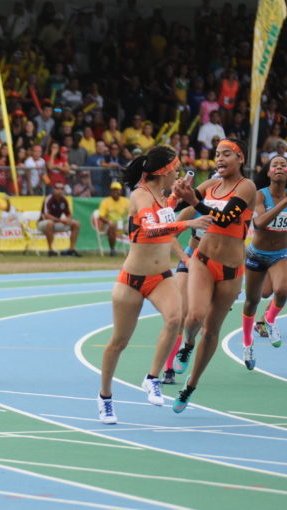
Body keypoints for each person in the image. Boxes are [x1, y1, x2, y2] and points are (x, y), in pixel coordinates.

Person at [98, 146, 212, 424]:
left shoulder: (161, 198)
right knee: (118, 342)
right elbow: (148, 232)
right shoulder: (140, 196)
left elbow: (164, 213)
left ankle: (152, 378)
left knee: (175, 318)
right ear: (163, 171)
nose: (177, 170)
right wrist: (190, 223)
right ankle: (105, 398)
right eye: (175, 167)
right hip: (132, 281)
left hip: (161, 277)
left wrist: (176, 196)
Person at [171, 138, 255, 413]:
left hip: (231, 271)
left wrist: (194, 200)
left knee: (212, 329)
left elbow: (226, 218)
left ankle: (191, 385)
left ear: (240, 158)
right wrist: (174, 197)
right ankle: (187, 344)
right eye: (217, 154)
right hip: (202, 261)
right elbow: (183, 203)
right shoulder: (210, 186)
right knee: (193, 316)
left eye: (226, 154)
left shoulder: (247, 187)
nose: (219, 159)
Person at [240, 155, 287, 370]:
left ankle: (269, 319)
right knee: (253, 300)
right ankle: (248, 343)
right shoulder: (260, 195)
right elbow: (259, 223)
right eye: (274, 165)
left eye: (283, 165)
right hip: (258, 254)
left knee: (283, 290)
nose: (279, 167)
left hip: (281, 254)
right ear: (268, 172)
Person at [37, 183, 81, 257]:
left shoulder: (63, 200)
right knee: (50, 223)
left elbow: (69, 214)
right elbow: (46, 215)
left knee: (76, 224)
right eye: (58, 188)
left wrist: (68, 219)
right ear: (54, 189)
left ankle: (71, 249)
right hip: (43, 223)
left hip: (56, 223)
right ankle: (50, 250)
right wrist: (61, 221)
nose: (60, 191)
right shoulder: (49, 199)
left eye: (62, 189)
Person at [98, 182, 130, 256]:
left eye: (117, 190)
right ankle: (112, 250)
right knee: (112, 226)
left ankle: (135, 251)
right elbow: (101, 216)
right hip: (108, 225)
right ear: (110, 191)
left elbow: (132, 213)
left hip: (123, 224)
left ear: (121, 191)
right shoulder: (105, 201)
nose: (115, 191)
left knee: (134, 226)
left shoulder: (126, 201)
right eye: (113, 190)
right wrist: (109, 222)